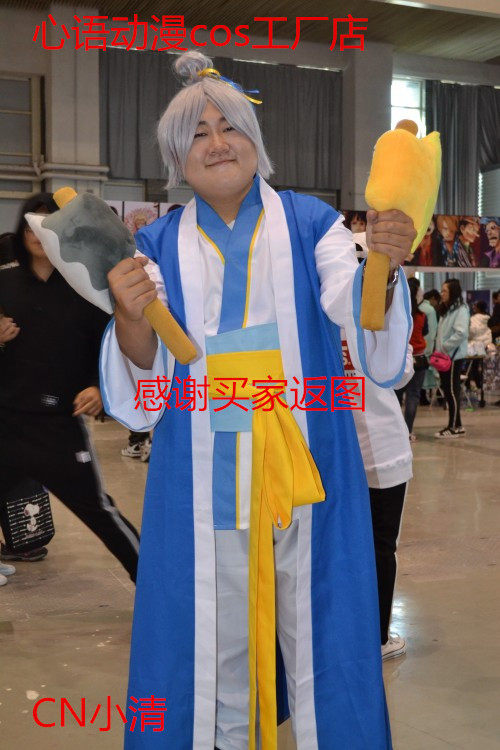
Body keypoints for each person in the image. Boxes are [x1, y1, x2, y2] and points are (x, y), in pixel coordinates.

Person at [100, 51, 415, 750]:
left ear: (255, 141)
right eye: (197, 134)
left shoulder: (311, 222)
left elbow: (352, 302)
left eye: (230, 127)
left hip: (306, 458)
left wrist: (385, 266)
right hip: (200, 471)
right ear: (177, 159)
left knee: (323, 625)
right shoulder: (155, 242)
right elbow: (144, 367)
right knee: (210, 638)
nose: (217, 143)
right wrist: (126, 310)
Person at [0, 193, 140, 580]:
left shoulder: (85, 287)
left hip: (58, 427)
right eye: (31, 224)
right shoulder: (4, 282)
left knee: (100, 511)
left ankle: (154, 588)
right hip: (5, 421)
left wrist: (99, 387)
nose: (37, 232)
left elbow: (108, 345)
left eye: (47, 223)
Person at [350, 232, 413, 661]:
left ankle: (343, 630)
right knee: (380, 546)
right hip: (384, 451)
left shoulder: (318, 315)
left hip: (332, 452)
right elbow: (400, 373)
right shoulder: (381, 315)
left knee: (339, 545)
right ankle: (376, 638)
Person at [434, 279, 470, 438]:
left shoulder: (461, 309)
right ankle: (458, 425)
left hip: (453, 357)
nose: (442, 294)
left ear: (453, 292)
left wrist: (444, 347)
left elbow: (461, 333)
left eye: (445, 291)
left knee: (452, 391)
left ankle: (453, 427)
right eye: (441, 290)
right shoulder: (448, 309)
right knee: (449, 390)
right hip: (444, 356)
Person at [395, 278, 429, 441]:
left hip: (401, 359)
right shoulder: (422, 315)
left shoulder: (399, 313)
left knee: (396, 396)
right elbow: (425, 332)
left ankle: (397, 431)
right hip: (420, 358)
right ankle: (408, 431)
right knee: (413, 396)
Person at [419, 289, 440, 402]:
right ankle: (424, 398)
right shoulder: (430, 310)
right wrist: (431, 350)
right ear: (433, 299)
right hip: (426, 347)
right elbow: (432, 332)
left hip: (417, 346)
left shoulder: (418, 306)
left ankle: (421, 397)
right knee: (427, 374)